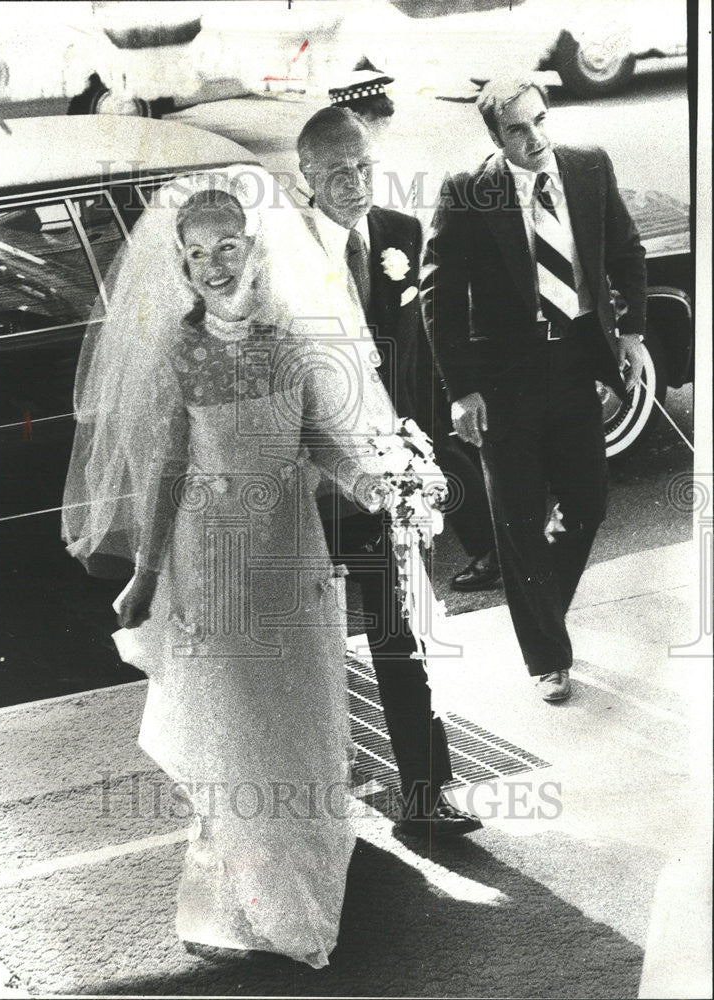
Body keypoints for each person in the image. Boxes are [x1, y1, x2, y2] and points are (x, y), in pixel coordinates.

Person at [62, 168, 445, 966]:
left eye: (226, 246)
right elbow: (166, 467)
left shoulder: (290, 340)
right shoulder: (182, 346)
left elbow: (317, 442)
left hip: (291, 549)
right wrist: (145, 574)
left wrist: (381, 483)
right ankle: (250, 895)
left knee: (299, 719)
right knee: (236, 730)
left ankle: (306, 872)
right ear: (182, 264)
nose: (214, 264)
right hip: (214, 562)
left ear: (252, 247)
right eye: (197, 253)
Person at [420, 77, 647, 702]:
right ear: (496, 137)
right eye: (519, 129)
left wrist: (630, 336)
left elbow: (627, 253)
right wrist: (463, 390)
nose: (536, 138)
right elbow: (438, 293)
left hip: (577, 367)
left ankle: (539, 602)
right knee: (518, 523)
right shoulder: (467, 192)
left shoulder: (588, 168)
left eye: (541, 121)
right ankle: (547, 656)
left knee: (588, 506)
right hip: (504, 382)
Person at [297, 106, 484, 834]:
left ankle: (423, 795)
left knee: (395, 633)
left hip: (383, 476)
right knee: (303, 641)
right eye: (336, 171)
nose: (353, 182)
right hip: (307, 481)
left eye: (363, 166)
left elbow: (417, 356)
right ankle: (308, 801)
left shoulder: (401, 235)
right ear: (305, 175)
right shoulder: (281, 249)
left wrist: (418, 451)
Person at [325, 73, 502, 594]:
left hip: (406, 355)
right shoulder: (352, 170)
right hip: (364, 364)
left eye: (361, 120)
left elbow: (420, 270)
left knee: (438, 451)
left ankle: (491, 550)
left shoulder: (390, 179)